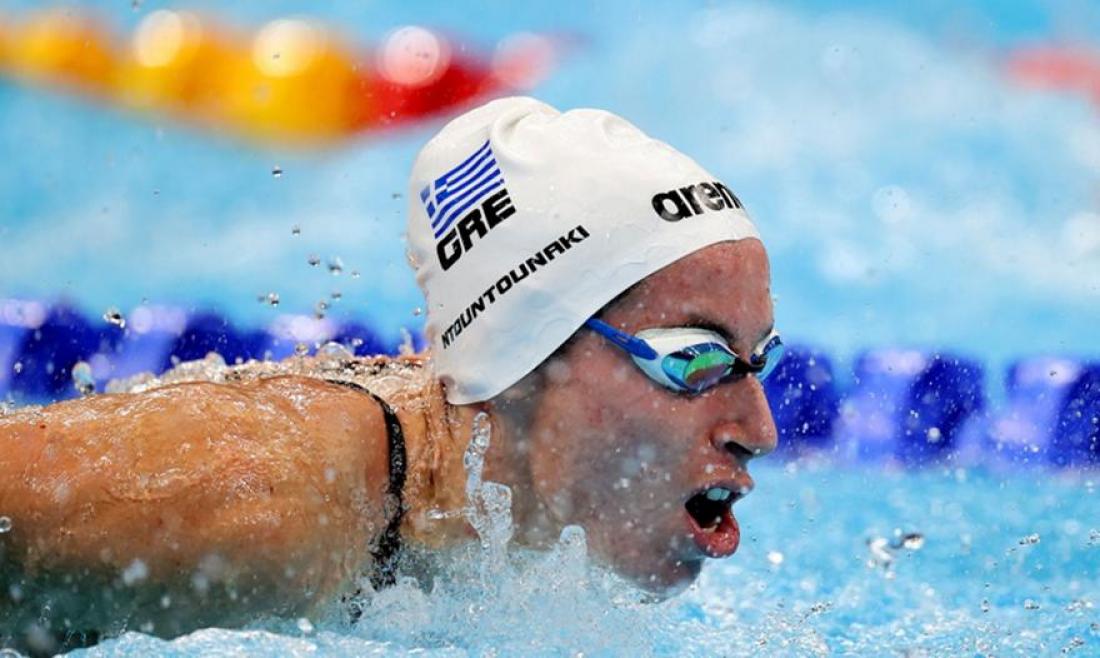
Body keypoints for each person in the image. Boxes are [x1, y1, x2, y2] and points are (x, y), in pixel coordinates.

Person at [0, 97, 783, 654]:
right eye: (696, 359)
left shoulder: (489, 520)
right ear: (524, 359)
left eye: (759, 360)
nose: (760, 431)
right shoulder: (265, 505)